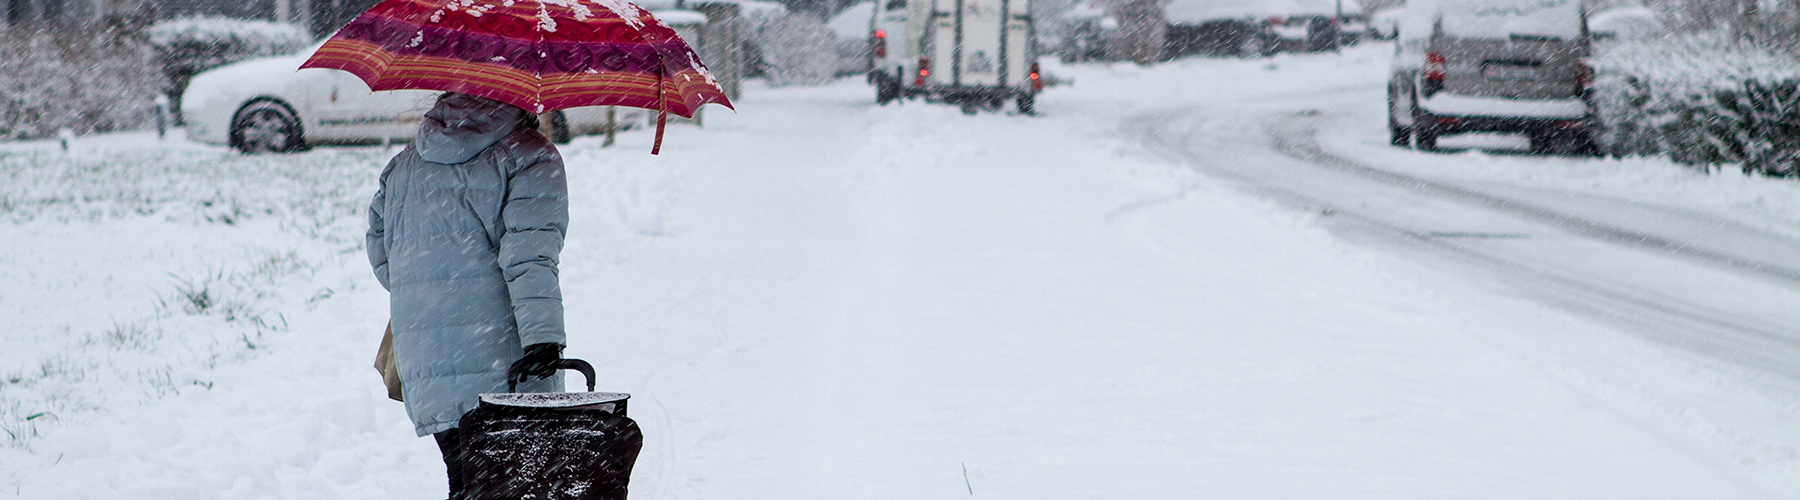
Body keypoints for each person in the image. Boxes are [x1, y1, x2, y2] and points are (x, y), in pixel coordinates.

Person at [366, 92, 570, 500]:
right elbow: (529, 258)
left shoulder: (405, 164)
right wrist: (544, 340)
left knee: (467, 484)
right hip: (505, 362)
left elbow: (382, 252)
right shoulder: (530, 156)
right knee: (511, 487)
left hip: (429, 357)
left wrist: (435, 295)